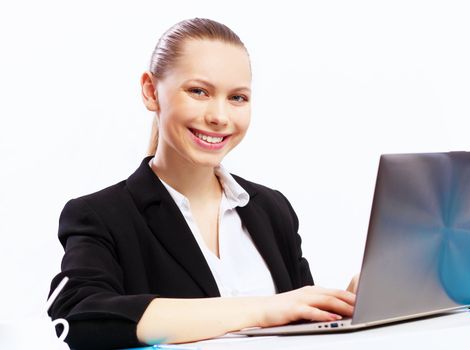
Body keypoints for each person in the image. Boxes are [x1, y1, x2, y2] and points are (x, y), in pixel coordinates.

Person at [48, 18, 357, 349]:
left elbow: (300, 323)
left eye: (237, 98)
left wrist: (348, 304)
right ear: (151, 91)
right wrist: (264, 310)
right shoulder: (101, 215)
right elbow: (79, 317)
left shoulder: (271, 209)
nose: (219, 116)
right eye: (198, 91)